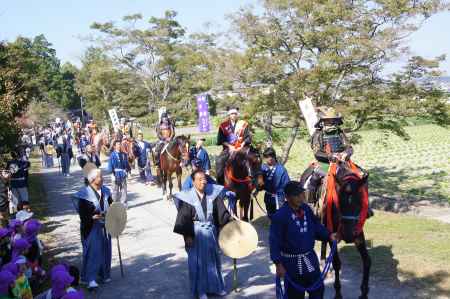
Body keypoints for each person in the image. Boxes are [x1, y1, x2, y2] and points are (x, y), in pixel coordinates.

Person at [270, 181, 337, 299]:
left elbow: (316, 226)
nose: (301, 197)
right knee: (294, 295)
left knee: (318, 290)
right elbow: (274, 241)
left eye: (302, 194)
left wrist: (329, 235)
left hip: (310, 260)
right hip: (291, 264)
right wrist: (278, 264)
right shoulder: (280, 216)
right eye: (297, 195)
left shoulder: (306, 209)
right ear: (287, 197)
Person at [173, 169, 232, 299]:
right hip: (195, 233)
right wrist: (187, 236)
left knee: (213, 260)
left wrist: (230, 220)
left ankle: (216, 287)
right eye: (199, 179)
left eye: (204, 179)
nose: (203, 182)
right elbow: (183, 218)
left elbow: (221, 213)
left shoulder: (212, 194)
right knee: (197, 263)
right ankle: (201, 291)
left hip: (210, 232)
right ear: (193, 182)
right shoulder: (188, 197)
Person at [73, 164, 112, 290]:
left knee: (105, 250)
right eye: (100, 177)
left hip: (105, 225)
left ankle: (103, 274)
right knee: (92, 252)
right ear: (92, 180)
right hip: (91, 227)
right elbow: (83, 214)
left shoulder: (106, 191)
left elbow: (111, 205)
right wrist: (92, 217)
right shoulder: (84, 194)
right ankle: (90, 279)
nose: (102, 178)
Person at [216, 107, 252, 185]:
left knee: (253, 158)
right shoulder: (223, 125)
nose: (234, 115)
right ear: (229, 115)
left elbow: (248, 137)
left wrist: (242, 145)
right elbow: (221, 139)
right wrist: (230, 146)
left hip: (242, 147)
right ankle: (220, 183)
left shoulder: (243, 124)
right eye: (232, 114)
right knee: (219, 160)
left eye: (235, 113)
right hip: (228, 148)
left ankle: (253, 179)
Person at [260, 147, 290, 218]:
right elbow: (260, 182)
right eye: (265, 157)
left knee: (280, 218)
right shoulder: (263, 168)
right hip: (268, 197)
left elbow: (287, 185)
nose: (266, 160)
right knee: (270, 216)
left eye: (267, 157)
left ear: (272, 157)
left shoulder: (281, 170)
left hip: (279, 198)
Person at [107, 140, 130, 206]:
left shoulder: (124, 154)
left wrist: (127, 171)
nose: (119, 146)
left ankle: (124, 203)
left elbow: (126, 164)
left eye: (120, 144)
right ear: (114, 146)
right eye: (118, 144)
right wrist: (112, 174)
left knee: (124, 189)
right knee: (115, 190)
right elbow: (110, 165)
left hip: (123, 173)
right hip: (115, 174)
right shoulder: (112, 155)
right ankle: (114, 204)